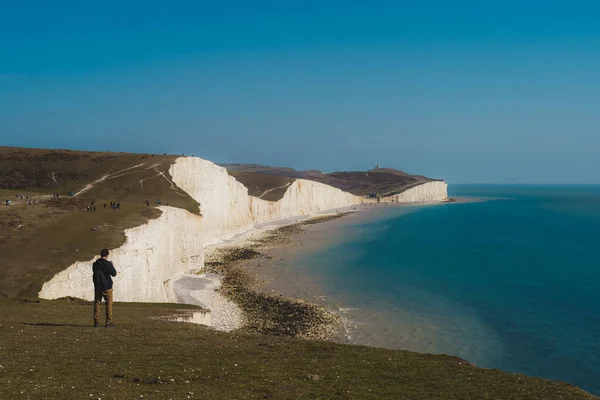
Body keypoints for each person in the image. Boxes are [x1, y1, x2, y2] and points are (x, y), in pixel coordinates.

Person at [92, 248, 117, 328]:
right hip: (107, 286)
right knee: (108, 303)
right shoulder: (108, 264)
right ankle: (108, 322)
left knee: (97, 302)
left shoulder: (95, 264)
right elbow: (114, 273)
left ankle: (96, 322)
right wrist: (111, 265)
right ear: (107, 255)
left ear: (101, 254)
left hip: (98, 286)